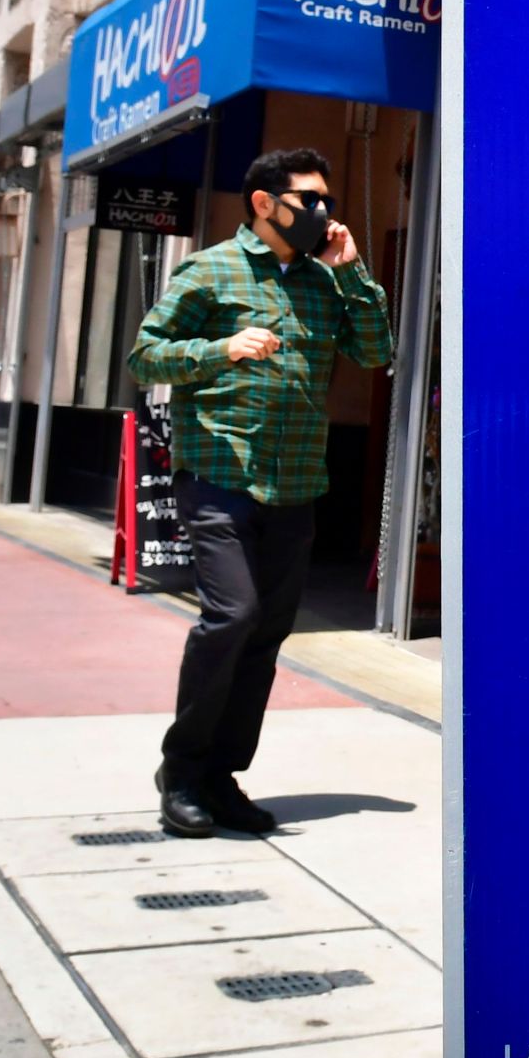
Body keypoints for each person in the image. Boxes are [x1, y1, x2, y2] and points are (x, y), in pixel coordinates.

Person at [128, 148, 393, 837]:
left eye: (328, 201)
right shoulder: (210, 268)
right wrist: (220, 350)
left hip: (297, 483)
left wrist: (353, 271)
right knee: (232, 616)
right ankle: (181, 770)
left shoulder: (324, 280)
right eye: (310, 200)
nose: (323, 213)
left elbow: (374, 352)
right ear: (263, 203)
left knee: (266, 635)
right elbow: (145, 354)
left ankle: (221, 776)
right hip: (220, 475)